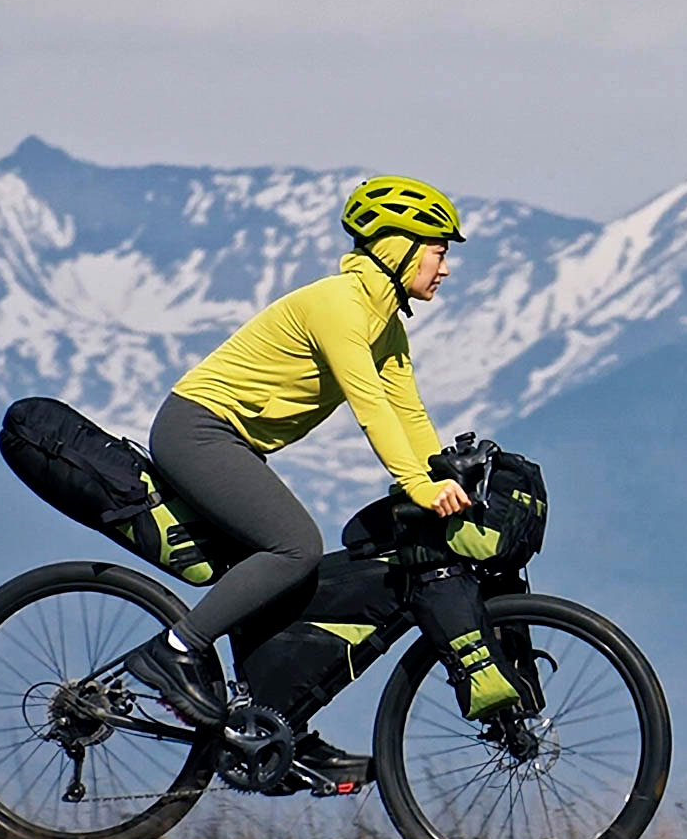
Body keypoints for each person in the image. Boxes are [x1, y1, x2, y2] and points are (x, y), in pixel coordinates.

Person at [124, 175, 474, 781]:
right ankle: (173, 652)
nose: (445, 268)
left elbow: (408, 412)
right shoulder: (340, 306)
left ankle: (270, 723)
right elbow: (370, 406)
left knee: (284, 582)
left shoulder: (384, 321)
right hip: (198, 430)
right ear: (400, 247)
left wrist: (445, 477)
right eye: (440, 251)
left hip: (232, 442)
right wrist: (418, 487)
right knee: (297, 546)